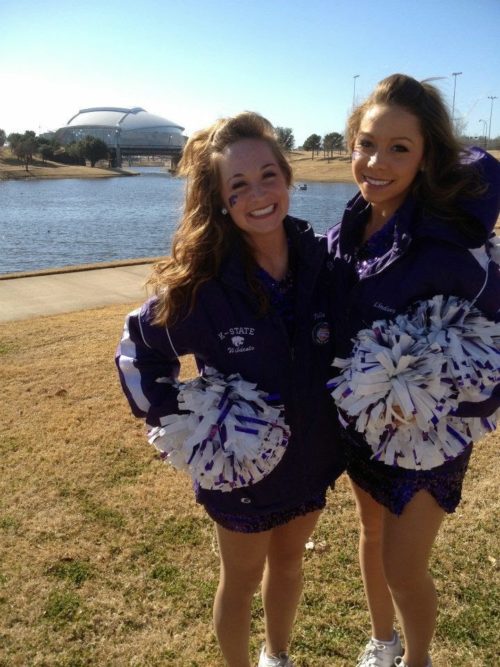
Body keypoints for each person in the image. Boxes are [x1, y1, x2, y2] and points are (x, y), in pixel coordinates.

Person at [116, 111, 344, 667]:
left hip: (313, 456)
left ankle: (278, 657)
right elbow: (137, 352)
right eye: (238, 185)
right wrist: (187, 425)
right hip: (240, 470)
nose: (259, 194)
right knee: (240, 582)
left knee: (290, 564)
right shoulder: (203, 284)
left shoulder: (323, 261)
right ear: (219, 200)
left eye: (269, 175)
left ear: (287, 177)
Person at [326, 74, 500, 667]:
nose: (376, 162)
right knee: (370, 535)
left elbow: (492, 354)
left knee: (403, 564)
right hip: (362, 426)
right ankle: (383, 641)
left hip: (427, 439)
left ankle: (418, 660)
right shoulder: (351, 227)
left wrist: (441, 400)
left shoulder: (451, 246)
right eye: (366, 144)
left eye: (400, 148)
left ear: (427, 158)